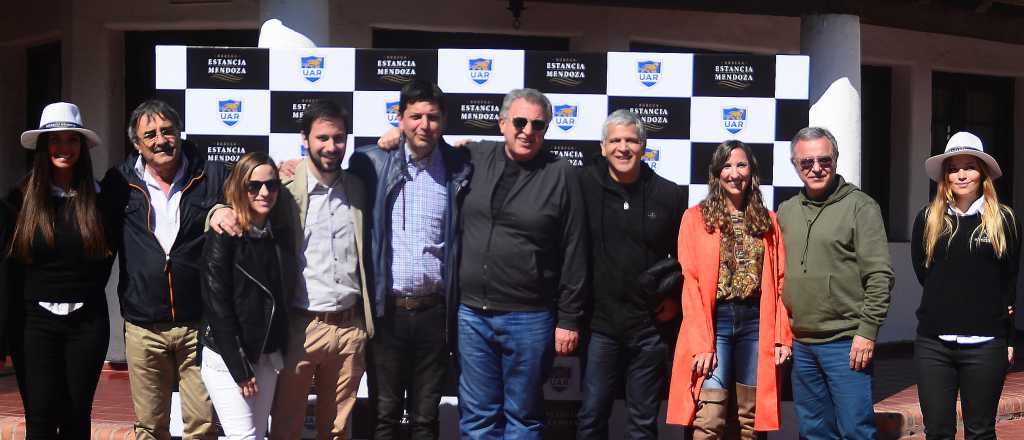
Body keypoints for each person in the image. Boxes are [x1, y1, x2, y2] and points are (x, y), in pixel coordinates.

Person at [210, 100, 375, 440]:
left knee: (337, 430)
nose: (331, 147)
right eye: (322, 138)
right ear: (305, 139)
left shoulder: (358, 188)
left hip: (349, 328)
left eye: (339, 138)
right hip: (301, 326)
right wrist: (214, 212)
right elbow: (240, 203)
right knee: (286, 426)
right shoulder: (281, 190)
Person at [456, 88, 587, 440]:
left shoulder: (562, 174)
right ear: (502, 124)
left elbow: (575, 248)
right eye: (519, 121)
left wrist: (569, 318)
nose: (527, 131)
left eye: (538, 125)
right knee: (477, 418)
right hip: (473, 314)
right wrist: (392, 138)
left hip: (529, 317)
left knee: (523, 418)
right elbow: (424, 146)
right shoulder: (474, 156)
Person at [347, 79, 471, 440]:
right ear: (399, 118)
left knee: (425, 418)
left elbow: (502, 151)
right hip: (388, 312)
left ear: (444, 120)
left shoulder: (459, 168)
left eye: (432, 117)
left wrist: (473, 146)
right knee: (384, 416)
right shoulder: (370, 162)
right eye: (415, 116)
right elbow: (329, 177)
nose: (424, 125)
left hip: (435, 313)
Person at [101, 99, 226, 440]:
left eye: (167, 131)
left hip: (198, 325)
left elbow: (256, 187)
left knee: (201, 426)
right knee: (150, 428)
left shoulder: (211, 175)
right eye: (150, 134)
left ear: (179, 133)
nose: (161, 140)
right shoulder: (118, 182)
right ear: (137, 144)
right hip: (144, 327)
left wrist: (286, 171)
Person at [666, 140, 791, 439]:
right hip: (714, 321)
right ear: (716, 173)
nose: (735, 173)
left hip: (755, 322)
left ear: (752, 171)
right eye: (727, 166)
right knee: (709, 416)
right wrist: (701, 343)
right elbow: (691, 283)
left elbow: (781, 281)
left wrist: (781, 336)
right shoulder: (695, 218)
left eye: (741, 165)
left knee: (751, 418)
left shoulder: (768, 220)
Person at [776, 126, 893, 440]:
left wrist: (867, 332)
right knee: (814, 431)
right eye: (806, 162)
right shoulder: (786, 211)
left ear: (836, 160)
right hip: (802, 344)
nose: (816, 168)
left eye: (824, 160)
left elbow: (880, 276)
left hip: (846, 343)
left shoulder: (861, 207)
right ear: (795, 165)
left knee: (856, 430)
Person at [6, 102, 114, 439]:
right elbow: (10, 270)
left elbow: (107, 259)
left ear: (82, 147)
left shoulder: (102, 198)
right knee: (39, 418)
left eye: (71, 140)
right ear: (43, 147)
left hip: (87, 323)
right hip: (33, 325)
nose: (63, 148)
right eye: (55, 140)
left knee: (76, 417)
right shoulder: (17, 200)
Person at [575, 109, 684, 440]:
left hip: (648, 329)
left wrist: (675, 299)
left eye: (631, 140)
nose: (624, 148)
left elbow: (687, 258)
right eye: (616, 140)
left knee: (642, 424)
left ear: (644, 145)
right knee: (591, 418)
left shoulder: (669, 194)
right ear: (603, 146)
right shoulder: (581, 184)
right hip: (599, 326)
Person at [911, 131, 1019, 439]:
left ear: (982, 172)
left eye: (969, 166)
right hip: (934, 346)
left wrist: (1008, 339)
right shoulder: (927, 218)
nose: (961, 174)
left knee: (980, 431)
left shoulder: (1004, 220)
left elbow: (1009, 280)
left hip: (986, 346)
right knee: (937, 431)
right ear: (944, 175)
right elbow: (924, 273)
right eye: (953, 167)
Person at [200, 152, 292, 439]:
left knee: (257, 434)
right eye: (254, 186)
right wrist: (239, 367)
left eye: (272, 185)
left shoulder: (278, 234)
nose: (264, 192)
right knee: (244, 437)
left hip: (266, 354)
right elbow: (218, 307)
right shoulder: (224, 234)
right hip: (229, 357)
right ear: (241, 187)